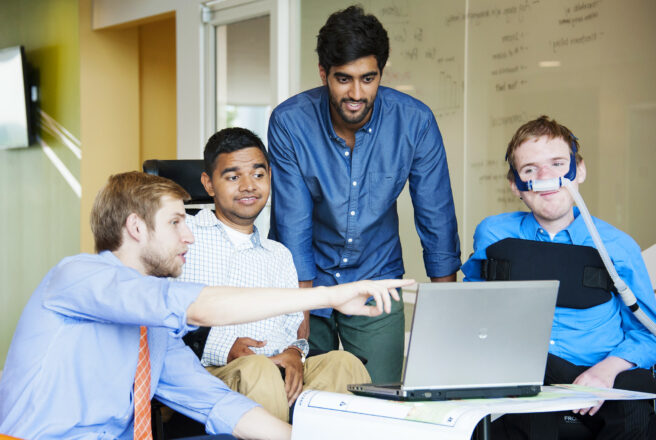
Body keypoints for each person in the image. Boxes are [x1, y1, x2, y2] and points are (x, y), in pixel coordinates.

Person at [0, 171, 410, 440]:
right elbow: (195, 306)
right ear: (136, 227)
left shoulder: (156, 332)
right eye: (177, 222)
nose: (190, 236)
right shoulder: (77, 277)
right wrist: (329, 295)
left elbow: (218, 403)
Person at [267, 5, 461, 383]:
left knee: (381, 400)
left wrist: (446, 311)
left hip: (377, 279)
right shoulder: (290, 122)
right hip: (307, 280)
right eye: (343, 79)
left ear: (381, 74)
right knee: (304, 401)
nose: (356, 93)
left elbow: (436, 215)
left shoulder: (415, 122)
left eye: (368, 79)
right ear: (323, 73)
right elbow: (293, 222)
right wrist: (300, 314)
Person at [461, 115, 656, 439]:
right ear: (515, 185)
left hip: (606, 379)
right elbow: (471, 309)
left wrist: (605, 372)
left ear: (578, 170)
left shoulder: (616, 247)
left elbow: (649, 333)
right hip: (530, 379)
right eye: (530, 170)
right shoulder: (494, 235)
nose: (546, 177)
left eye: (557, 164)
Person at [179, 127, 370, 422]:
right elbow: (166, 313)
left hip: (279, 367)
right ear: (209, 183)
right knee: (259, 370)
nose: (248, 186)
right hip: (211, 371)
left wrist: (295, 353)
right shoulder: (183, 238)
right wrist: (223, 348)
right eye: (233, 177)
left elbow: (293, 328)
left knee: (344, 363)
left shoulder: (279, 254)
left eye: (258, 175)